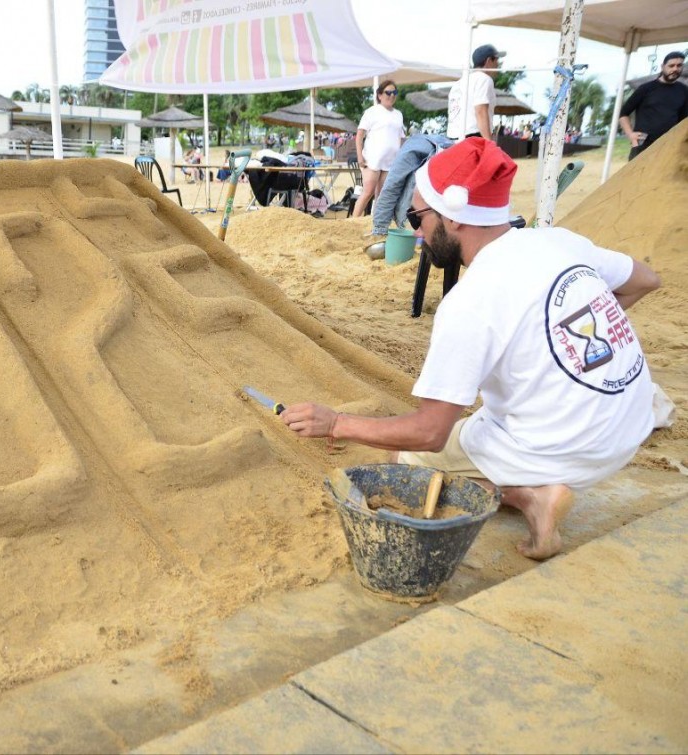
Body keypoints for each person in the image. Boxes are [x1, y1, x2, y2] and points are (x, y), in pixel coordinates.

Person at [281, 138, 661, 561]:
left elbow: (428, 432)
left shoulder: (471, 300)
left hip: (566, 443)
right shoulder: (558, 241)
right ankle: (536, 484)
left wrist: (335, 423)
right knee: (482, 419)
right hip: (630, 425)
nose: (414, 229)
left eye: (417, 215)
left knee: (404, 460)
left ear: (455, 218)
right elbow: (645, 280)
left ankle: (532, 495)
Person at [619, 50, 687, 160]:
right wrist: (630, 135)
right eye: (671, 65)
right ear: (663, 66)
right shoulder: (646, 88)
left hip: (669, 146)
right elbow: (623, 113)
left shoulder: (684, 90)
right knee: (637, 177)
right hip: (643, 144)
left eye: (679, 65)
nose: (675, 69)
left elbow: (684, 120)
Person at [352, 80, 406, 217]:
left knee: (381, 196)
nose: (392, 95)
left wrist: (401, 157)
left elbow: (401, 137)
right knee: (368, 192)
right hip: (372, 159)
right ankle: (353, 223)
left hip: (390, 162)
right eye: (388, 92)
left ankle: (375, 225)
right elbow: (359, 135)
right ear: (380, 95)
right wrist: (360, 157)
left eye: (394, 92)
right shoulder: (372, 112)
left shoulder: (398, 114)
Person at [447, 44, 505, 141]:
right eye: (496, 60)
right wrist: (489, 143)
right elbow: (480, 111)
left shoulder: (459, 83)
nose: (497, 64)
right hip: (473, 137)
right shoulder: (484, 79)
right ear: (488, 61)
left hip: (452, 139)